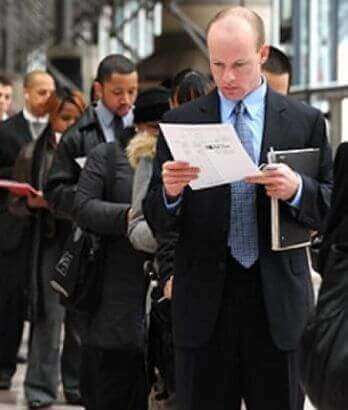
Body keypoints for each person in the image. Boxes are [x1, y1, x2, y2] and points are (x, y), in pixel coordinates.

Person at [143, 7, 333, 410]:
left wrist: (298, 189)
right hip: (205, 307)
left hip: (277, 304)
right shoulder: (182, 123)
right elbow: (157, 218)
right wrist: (170, 193)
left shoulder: (306, 122)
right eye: (217, 64)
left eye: (240, 64)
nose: (227, 77)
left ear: (262, 54)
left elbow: (332, 209)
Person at [127, 70, 211, 408]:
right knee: (173, 386)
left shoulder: (224, 145)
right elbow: (140, 224)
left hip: (213, 286)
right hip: (170, 283)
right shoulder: (154, 153)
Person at [8, 88, 87, 409]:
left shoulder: (94, 150)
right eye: (62, 118)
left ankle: (76, 384)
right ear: (50, 117)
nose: (68, 125)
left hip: (82, 241)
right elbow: (13, 204)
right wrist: (30, 203)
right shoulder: (31, 152)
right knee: (48, 318)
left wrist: (53, 202)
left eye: (75, 118)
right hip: (50, 242)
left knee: (80, 318)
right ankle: (40, 388)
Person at [0, 70, 55, 390]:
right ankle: (5, 366)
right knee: (10, 299)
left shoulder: (61, 127)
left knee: (49, 302)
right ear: (26, 92)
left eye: (51, 92)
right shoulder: (2, 132)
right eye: (41, 92)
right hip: (16, 225)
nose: (47, 98)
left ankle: (45, 371)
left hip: (51, 226)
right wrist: (20, 175)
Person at [73, 107, 150, 410]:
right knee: (109, 379)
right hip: (110, 283)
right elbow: (83, 206)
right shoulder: (107, 155)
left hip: (157, 293)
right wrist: (129, 217)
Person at [44, 54, 138, 220]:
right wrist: (92, 193)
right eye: (117, 92)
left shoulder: (146, 127)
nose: (126, 100)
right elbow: (55, 194)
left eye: (132, 91)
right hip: (94, 232)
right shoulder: (77, 135)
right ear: (99, 89)